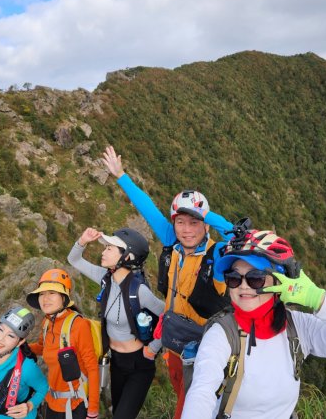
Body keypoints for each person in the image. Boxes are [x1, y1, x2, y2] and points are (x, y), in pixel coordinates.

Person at [181, 227, 326, 419]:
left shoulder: (299, 328)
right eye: (233, 277)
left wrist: (319, 301)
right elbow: (202, 392)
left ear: (280, 281)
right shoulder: (221, 335)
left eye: (256, 278)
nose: (243, 286)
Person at [102, 145, 235, 419]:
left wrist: (206, 214)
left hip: (204, 347)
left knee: (191, 406)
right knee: (182, 394)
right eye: (181, 222)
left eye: (195, 223)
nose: (186, 230)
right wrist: (121, 176)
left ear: (206, 227)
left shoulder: (217, 255)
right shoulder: (172, 244)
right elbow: (146, 207)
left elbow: (239, 238)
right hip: (174, 341)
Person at [68, 227, 165, 418]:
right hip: (116, 363)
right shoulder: (106, 280)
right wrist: (83, 240)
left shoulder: (140, 291)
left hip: (140, 364)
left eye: (110, 249)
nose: (103, 252)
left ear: (127, 257)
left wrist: (153, 347)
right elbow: (74, 260)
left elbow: (169, 316)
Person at [26, 269, 100, 419]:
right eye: (41, 293)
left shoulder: (79, 325)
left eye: (52, 293)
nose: (45, 299)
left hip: (75, 404)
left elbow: (92, 369)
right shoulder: (47, 322)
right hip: (52, 401)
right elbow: (43, 348)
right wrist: (21, 346)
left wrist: (93, 410)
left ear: (64, 297)